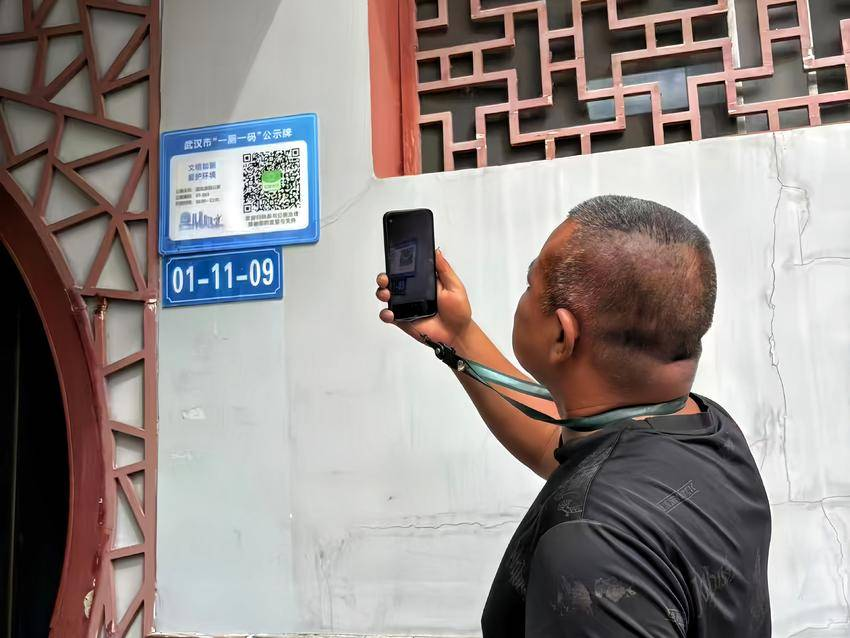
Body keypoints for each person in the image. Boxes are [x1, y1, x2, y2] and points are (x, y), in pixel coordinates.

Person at [375, 195, 771, 637]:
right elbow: (566, 449)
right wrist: (458, 337)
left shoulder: (591, 554)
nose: (524, 294)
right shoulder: (709, 429)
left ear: (563, 336)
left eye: (530, 284)